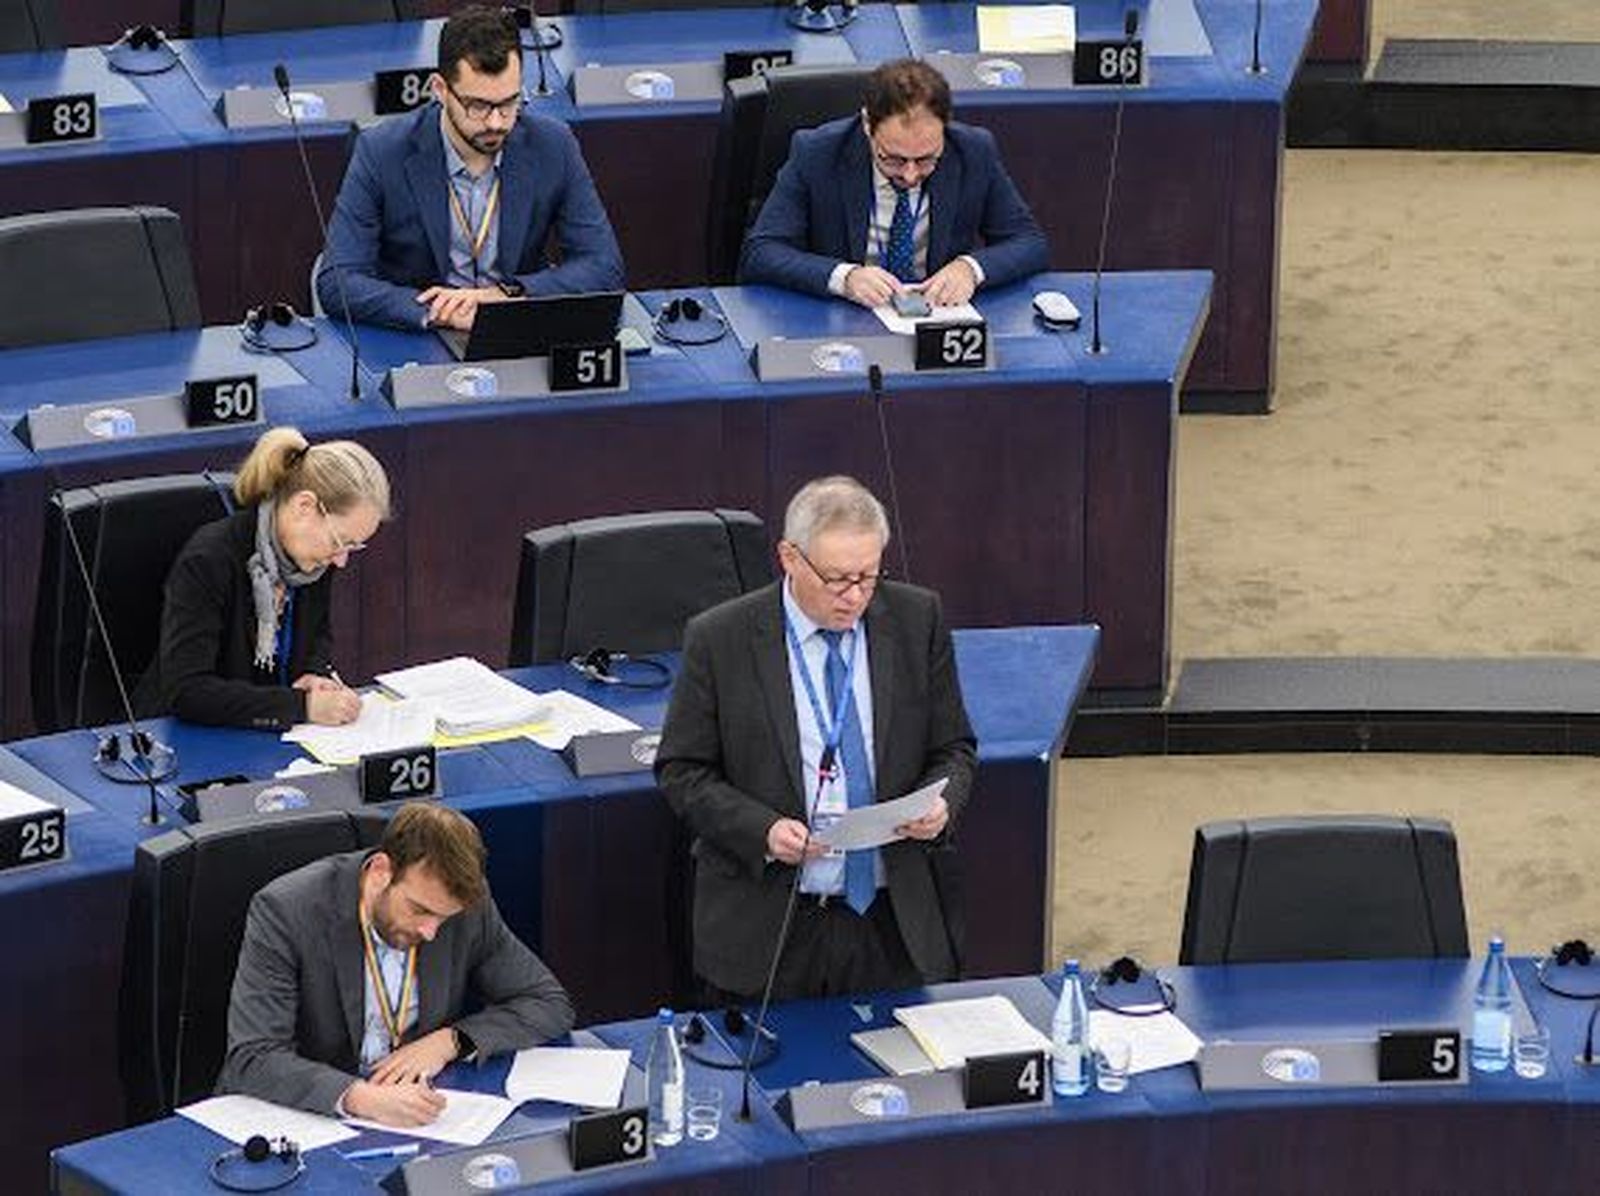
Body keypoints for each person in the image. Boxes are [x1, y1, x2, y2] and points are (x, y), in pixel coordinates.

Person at [655, 476, 977, 1003]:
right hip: (772, 927)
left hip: (892, 922)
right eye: (836, 579)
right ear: (789, 557)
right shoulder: (721, 638)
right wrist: (762, 830)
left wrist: (942, 804)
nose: (854, 596)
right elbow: (682, 770)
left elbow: (954, 748)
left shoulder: (917, 620)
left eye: (868, 577)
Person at [217, 802, 574, 1125]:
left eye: (444, 918)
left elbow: (548, 1002)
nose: (431, 932)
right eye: (420, 910)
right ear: (381, 871)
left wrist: (451, 1041)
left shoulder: (465, 908)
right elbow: (254, 1056)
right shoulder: (287, 911)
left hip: (415, 1110)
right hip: (308, 1114)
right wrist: (359, 1098)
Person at [317, 4, 624, 331]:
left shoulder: (553, 144)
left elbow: (604, 267)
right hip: (422, 336)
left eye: (509, 103)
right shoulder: (380, 151)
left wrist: (508, 296)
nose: (496, 122)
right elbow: (338, 281)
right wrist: (440, 311)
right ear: (440, 89)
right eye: (478, 106)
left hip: (515, 329)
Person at [738, 58, 1048, 310]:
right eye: (894, 159)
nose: (910, 175)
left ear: (944, 127)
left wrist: (970, 268)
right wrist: (845, 277)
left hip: (935, 315)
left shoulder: (973, 151)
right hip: (845, 316)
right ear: (867, 125)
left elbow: (1029, 242)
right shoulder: (818, 153)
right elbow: (761, 252)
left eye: (926, 159)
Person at [144, 426, 387, 730]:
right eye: (340, 541)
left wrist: (315, 675)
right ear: (304, 506)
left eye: (353, 546)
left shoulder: (314, 560)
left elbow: (317, 639)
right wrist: (301, 706)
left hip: (270, 737)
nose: (342, 560)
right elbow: (187, 692)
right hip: (187, 738)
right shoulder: (208, 560)